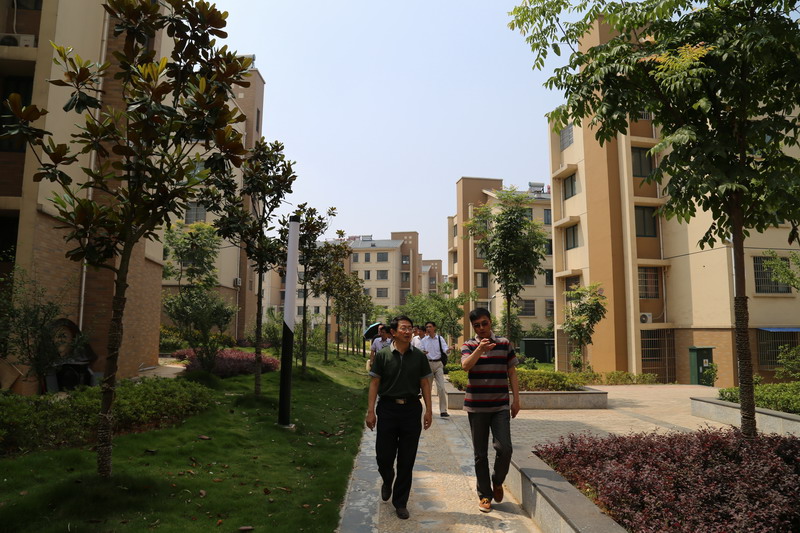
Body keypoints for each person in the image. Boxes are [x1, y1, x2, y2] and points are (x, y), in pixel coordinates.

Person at [365, 316, 433, 520]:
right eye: (403, 328)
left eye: (410, 328)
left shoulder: (419, 356)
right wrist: (371, 411)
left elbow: (425, 383)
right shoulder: (383, 355)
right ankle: (388, 478)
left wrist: (429, 410)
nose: (408, 331)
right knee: (384, 456)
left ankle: (400, 502)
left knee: (407, 459)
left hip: (411, 410)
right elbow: (374, 383)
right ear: (393, 332)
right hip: (387, 409)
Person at [460, 307, 520, 513]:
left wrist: (516, 400)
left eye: (484, 323)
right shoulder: (469, 345)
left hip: (500, 405)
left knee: (505, 448)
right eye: (477, 325)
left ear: (490, 322)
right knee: (480, 454)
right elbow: (465, 366)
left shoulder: (504, 343)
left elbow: (512, 372)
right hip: (476, 407)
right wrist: (479, 350)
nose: (481, 328)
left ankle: (497, 480)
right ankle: (485, 495)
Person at [419, 321, 450, 418]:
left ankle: (443, 410)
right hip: (428, 365)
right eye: (427, 327)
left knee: (441, 388)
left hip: (438, 364)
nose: (428, 328)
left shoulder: (440, 338)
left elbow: (445, 349)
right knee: (427, 389)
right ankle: (429, 410)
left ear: (434, 327)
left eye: (430, 326)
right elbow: (420, 350)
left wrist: (448, 350)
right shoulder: (424, 340)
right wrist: (423, 352)